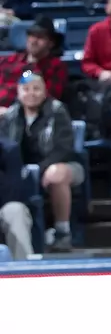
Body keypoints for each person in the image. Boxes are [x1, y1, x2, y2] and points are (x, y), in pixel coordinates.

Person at [0, 71, 79, 252]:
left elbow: (64, 149)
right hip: (23, 168)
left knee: (55, 174)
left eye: (36, 89)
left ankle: (62, 231)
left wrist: (41, 169)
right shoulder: (11, 115)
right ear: (18, 93)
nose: (31, 93)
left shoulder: (57, 110)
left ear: (44, 92)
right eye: (26, 89)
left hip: (61, 165)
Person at [0, 19, 67, 109]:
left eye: (40, 37)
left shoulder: (56, 67)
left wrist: (10, 112)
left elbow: (47, 99)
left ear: (51, 43)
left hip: (24, 115)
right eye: (31, 36)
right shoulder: (7, 61)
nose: (34, 41)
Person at [0, 134, 31, 260]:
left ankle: (24, 272)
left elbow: (13, 192)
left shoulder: (9, 150)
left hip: (2, 206)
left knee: (16, 210)